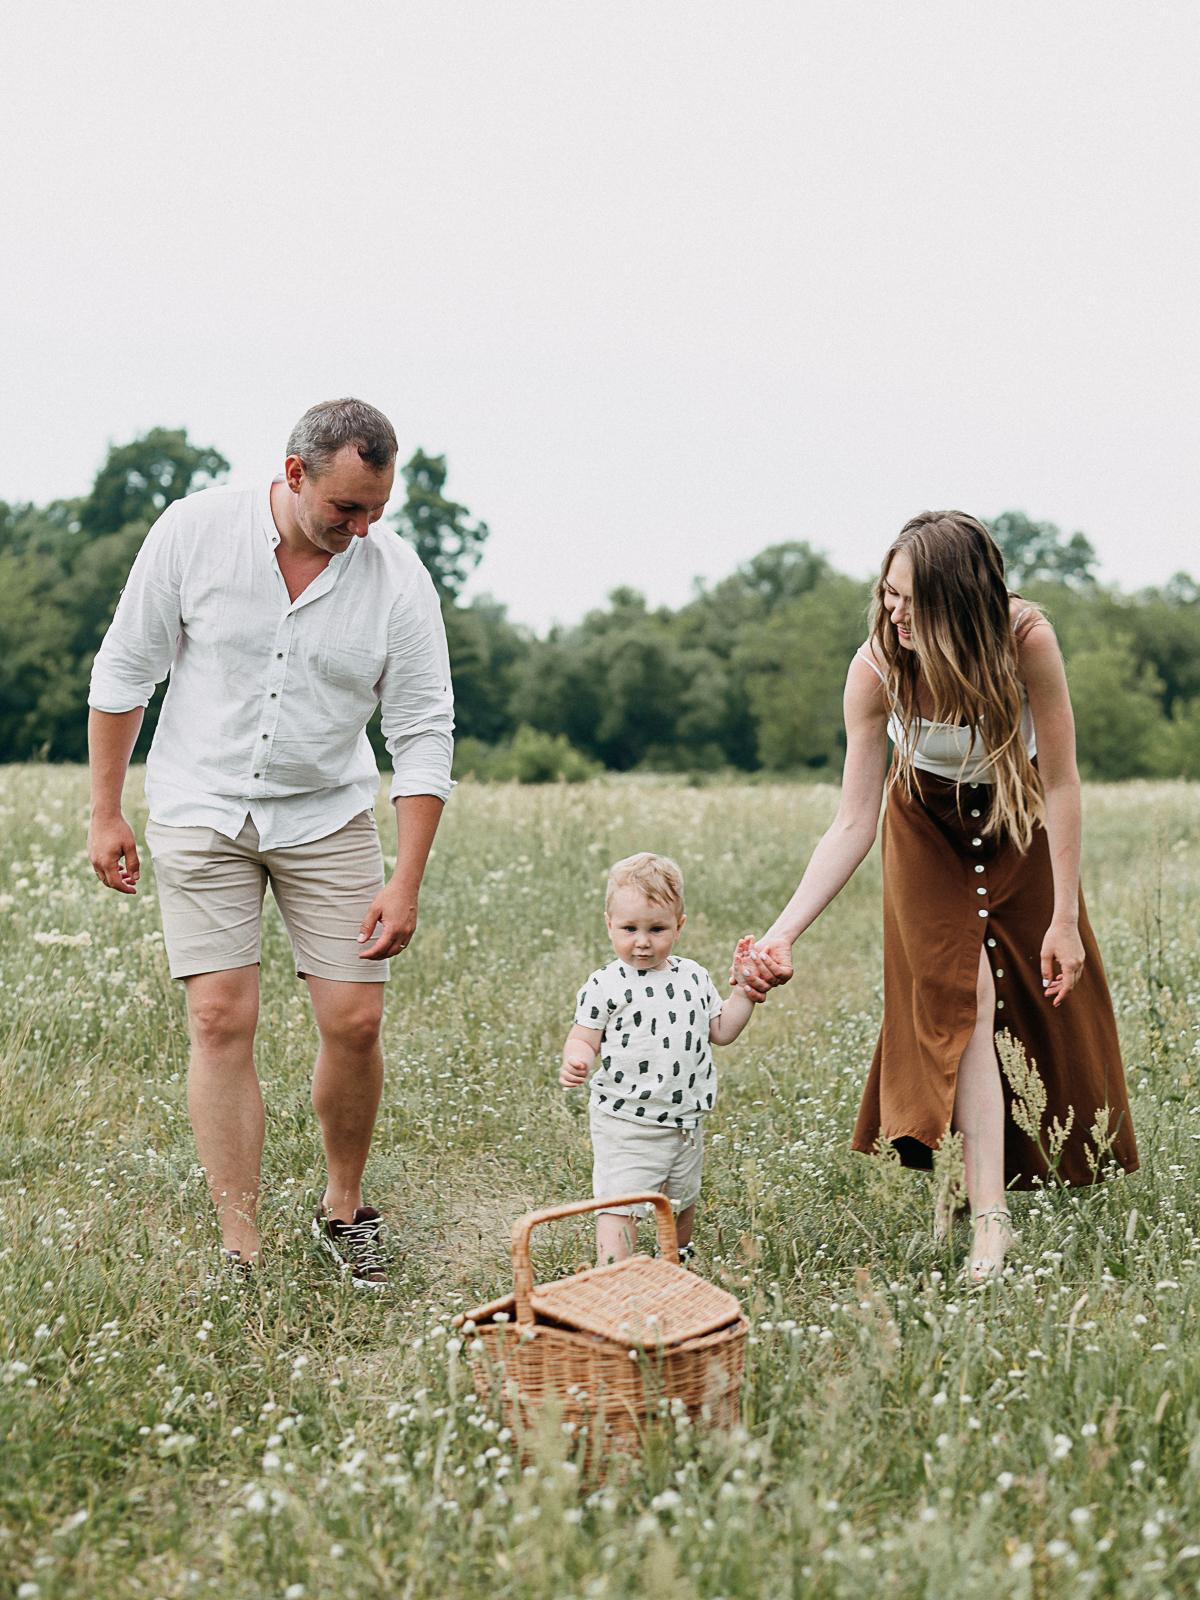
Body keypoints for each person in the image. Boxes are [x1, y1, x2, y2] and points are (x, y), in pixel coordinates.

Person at [87, 397, 454, 1286]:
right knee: (220, 1018)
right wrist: (104, 811)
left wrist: (405, 877)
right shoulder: (193, 532)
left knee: (354, 1020)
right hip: (202, 805)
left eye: (376, 510)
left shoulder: (396, 577)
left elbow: (422, 729)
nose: (363, 528)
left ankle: (342, 1210)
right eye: (346, 509)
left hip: (326, 812)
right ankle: (241, 1248)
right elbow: (125, 669)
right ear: (295, 475)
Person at [736, 511, 1138, 1282]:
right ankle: (990, 1223)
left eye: (912, 600)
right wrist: (782, 932)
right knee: (965, 997)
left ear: (960, 599)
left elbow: (1060, 782)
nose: (895, 613)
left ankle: (986, 1187)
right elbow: (853, 819)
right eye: (889, 594)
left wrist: (1064, 919)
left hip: (1017, 818)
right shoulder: (877, 667)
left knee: (1041, 1007)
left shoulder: (1026, 641)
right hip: (924, 827)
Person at [560, 852, 759, 1266]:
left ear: (679, 926)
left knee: (682, 1195)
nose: (643, 941)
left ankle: (677, 1257)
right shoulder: (605, 984)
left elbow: (721, 1031)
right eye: (629, 928)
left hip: (685, 1118)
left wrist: (742, 993)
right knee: (622, 1201)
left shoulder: (694, 977)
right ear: (609, 924)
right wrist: (578, 1058)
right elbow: (584, 1035)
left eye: (657, 929)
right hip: (626, 1120)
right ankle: (614, 1269)